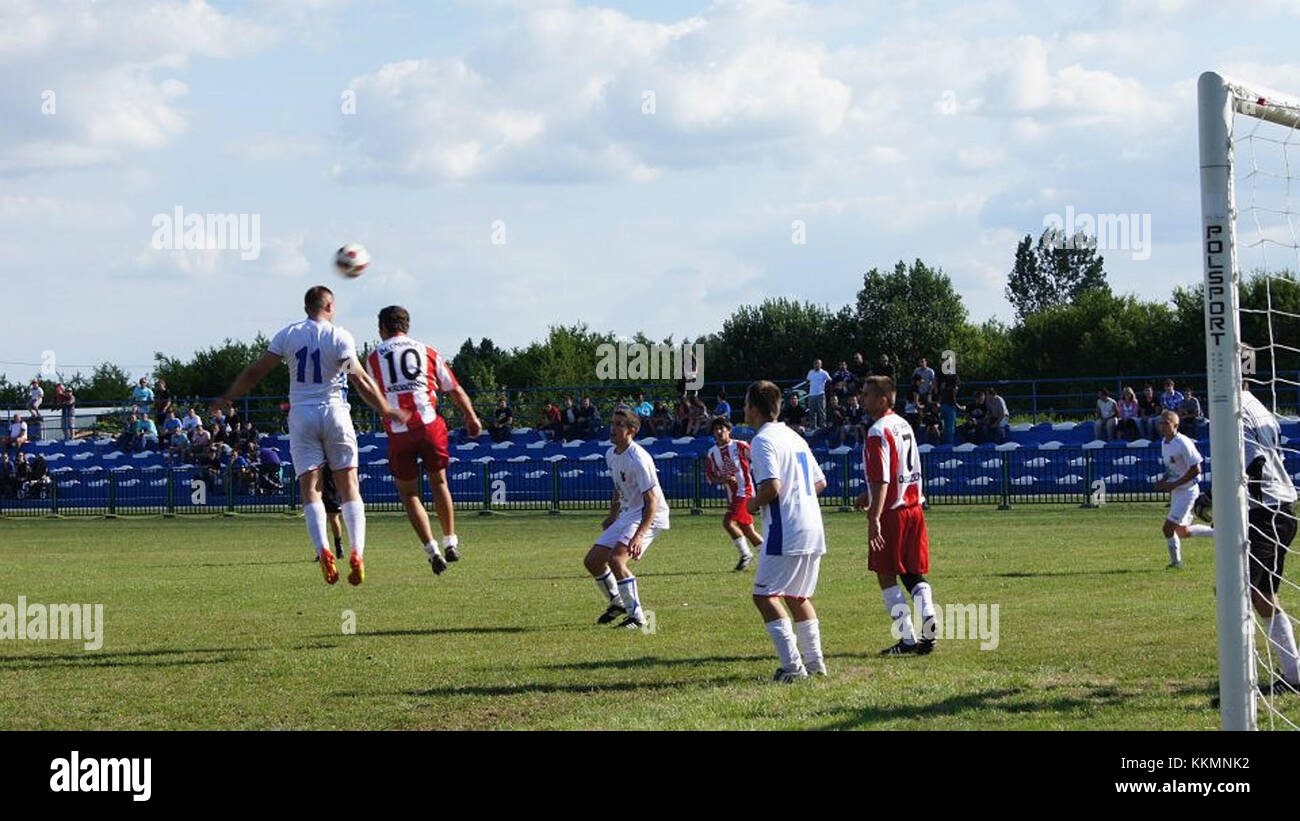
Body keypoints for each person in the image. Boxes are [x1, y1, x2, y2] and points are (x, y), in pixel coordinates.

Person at [211, 285, 406, 586]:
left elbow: (256, 370)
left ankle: (323, 550)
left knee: (309, 487)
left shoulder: (289, 334)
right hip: (335, 411)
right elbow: (360, 379)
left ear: (306, 308)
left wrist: (228, 396)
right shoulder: (339, 335)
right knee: (349, 485)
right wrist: (385, 408)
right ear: (329, 307)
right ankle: (357, 552)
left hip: (301, 413)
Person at [366, 305, 483, 575]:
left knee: (409, 494)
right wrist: (471, 417)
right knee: (439, 481)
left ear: (382, 328)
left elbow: (365, 387)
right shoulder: (427, 351)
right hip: (430, 425)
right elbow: (454, 388)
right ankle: (451, 541)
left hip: (399, 429)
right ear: (406, 326)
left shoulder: (374, 358)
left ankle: (432, 551)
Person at [744, 380, 828, 681]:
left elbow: (772, 487)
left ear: (753, 407)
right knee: (797, 596)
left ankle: (793, 669)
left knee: (765, 597)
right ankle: (816, 664)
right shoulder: (794, 437)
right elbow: (820, 483)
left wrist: (753, 503)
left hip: (786, 529)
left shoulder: (762, 440)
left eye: (746, 404)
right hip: (812, 526)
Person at [857, 376, 938, 656]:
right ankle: (929, 619)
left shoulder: (877, 431)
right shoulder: (903, 424)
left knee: (886, 574)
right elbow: (897, 470)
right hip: (914, 508)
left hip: (893, 512)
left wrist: (874, 517)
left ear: (882, 400)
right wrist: (869, 493)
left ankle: (907, 639)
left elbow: (882, 479)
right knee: (913, 571)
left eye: (866, 394)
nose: (861, 398)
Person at [584, 408, 669, 630]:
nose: (613, 428)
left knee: (617, 560)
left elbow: (652, 501)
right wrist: (613, 515)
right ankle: (617, 603)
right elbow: (618, 486)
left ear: (633, 430)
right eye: (613, 423)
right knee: (592, 561)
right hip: (629, 513)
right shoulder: (611, 454)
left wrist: (639, 536)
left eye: (620, 424)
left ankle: (638, 617)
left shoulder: (639, 458)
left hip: (650, 514)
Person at [1241, 388, 1300, 693]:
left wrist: (1219, 499)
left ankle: (1242, 683)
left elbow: (1253, 466)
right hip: (1283, 508)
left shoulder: (1235, 410)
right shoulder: (1259, 406)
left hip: (1264, 512)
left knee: (1241, 593)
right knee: (1263, 595)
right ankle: (1294, 674)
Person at [1154, 410, 1212, 569]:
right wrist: (1164, 479)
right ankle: (1220, 533)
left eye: (1167, 423)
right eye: (1161, 422)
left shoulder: (1183, 443)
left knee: (1168, 528)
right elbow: (1172, 467)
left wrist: (1174, 484)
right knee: (1181, 531)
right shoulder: (1164, 442)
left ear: (1176, 425)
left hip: (1187, 491)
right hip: (1177, 491)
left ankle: (1176, 563)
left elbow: (1196, 469)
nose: (1163, 426)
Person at [705, 417, 762, 570]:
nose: (718, 432)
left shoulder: (740, 446)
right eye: (715, 429)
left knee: (728, 522)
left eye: (721, 429)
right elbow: (711, 477)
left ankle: (746, 554)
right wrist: (722, 479)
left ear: (729, 430)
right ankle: (768, 557)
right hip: (732, 495)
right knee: (748, 530)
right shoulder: (712, 453)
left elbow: (758, 459)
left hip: (745, 491)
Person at [805, 359, 830, 429]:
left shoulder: (824, 373)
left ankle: (823, 427)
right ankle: (813, 426)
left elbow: (830, 380)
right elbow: (807, 381)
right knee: (812, 412)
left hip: (820, 394)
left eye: (818, 364)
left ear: (821, 365)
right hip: (811, 394)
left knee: (821, 411)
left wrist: (825, 387)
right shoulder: (810, 372)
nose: (816, 365)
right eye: (815, 363)